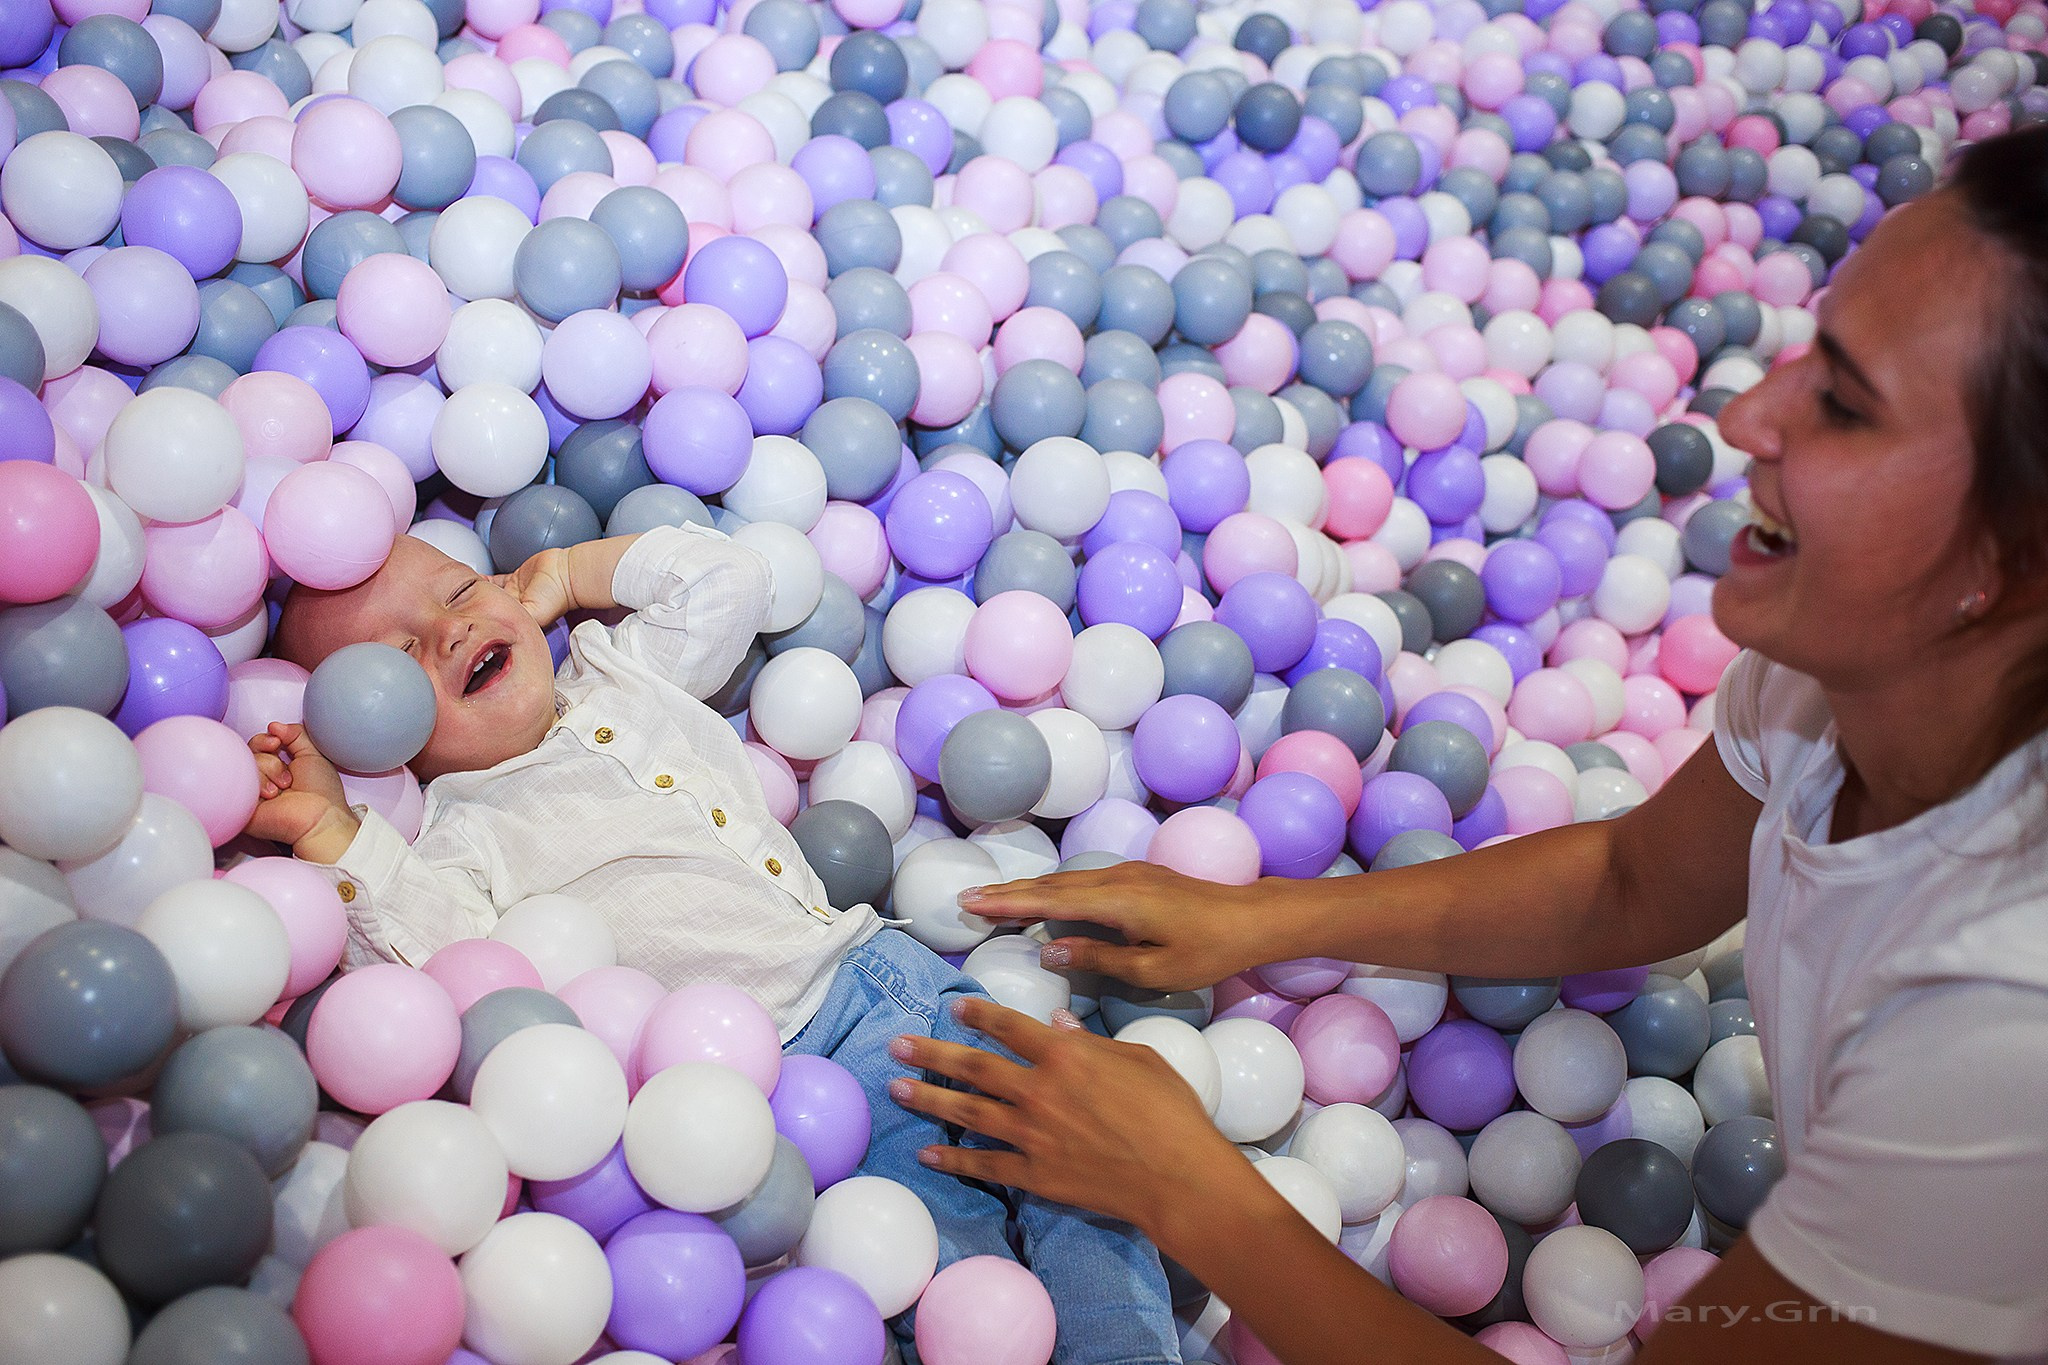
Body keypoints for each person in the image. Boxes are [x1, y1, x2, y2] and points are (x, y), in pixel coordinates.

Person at [889, 130, 2048, 1364]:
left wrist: (1187, 1190)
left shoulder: (2000, 1025)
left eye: (1844, 404)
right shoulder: (1833, 672)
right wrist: (1267, 921)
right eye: (1807, 348)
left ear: (2006, 559)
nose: (1748, 413)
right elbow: (1632, 881)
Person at [243, 522, 1183, 1365]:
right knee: (947, 1268)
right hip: (789, 1084)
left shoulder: (619, 668)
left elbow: (724, 577)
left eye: (459, 590)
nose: (449, 630)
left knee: (1081, 1162)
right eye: (398, 657)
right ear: (377, 732)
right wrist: (333, 828)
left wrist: (572, 572)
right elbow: (429, 963)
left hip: (886, 973)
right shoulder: (460, 834)